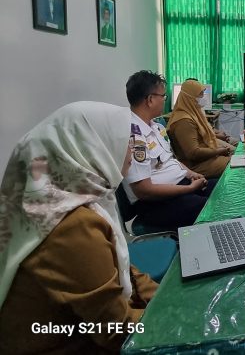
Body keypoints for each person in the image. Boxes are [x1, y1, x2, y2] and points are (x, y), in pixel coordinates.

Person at [0, 101, 158, 354]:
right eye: (125, 141)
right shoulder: (71, 226)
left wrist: (162, 298)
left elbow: (122, 267)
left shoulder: (79, 198)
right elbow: (116, 332)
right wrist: (178, 316)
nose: (131, 150)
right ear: (94, 148)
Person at [123, 70, 217, 230]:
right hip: (157, 204)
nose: (165, 100)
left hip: (180, 187)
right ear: (150, 100)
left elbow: (171, 160)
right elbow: (143, 191)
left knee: (223, 188)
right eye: (163, 96)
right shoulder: (134, 136)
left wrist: (191, 174)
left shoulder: (156, 126)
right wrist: (188, 189)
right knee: (215, 208)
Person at [167, 79, 232, 178]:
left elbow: (204, 132)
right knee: (236, 164)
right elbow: (194, 153)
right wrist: (219, 151)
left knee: (237, 156)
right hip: (196, 165)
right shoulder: (183, 121)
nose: (203, 97)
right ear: (190, 97)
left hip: (205, 156)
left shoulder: (192, 111)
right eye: (200, 94)